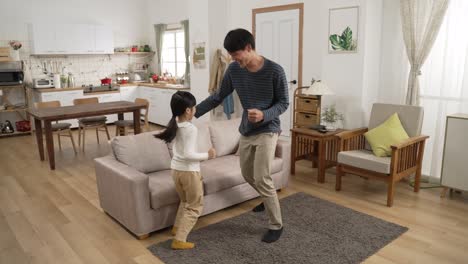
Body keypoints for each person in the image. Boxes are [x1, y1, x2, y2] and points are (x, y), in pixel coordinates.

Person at [195, 28, 289, 243]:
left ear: (248, 48)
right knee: (248, 174)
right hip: (247, 129)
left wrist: (265, 114)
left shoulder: (275, 71)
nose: (235, 60)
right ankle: (268, 198)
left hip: (268, 128)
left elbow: (284, 103)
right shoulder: (234, 70)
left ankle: (276, 224)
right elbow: (218, 96)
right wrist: (193, 111)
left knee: (262, 176)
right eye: (231, 56)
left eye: (237, 55)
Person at [155, 91, 216, 250]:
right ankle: (179, 239)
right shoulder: (190, 128)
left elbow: (181, 152)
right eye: (194, 107)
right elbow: (189, 155)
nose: (195, 110)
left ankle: (177, 228)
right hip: (189, 171)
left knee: (185, 201)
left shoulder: (174, 123)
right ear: (188, 110)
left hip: (175, 170)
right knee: (195, 206)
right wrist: (207, 155)